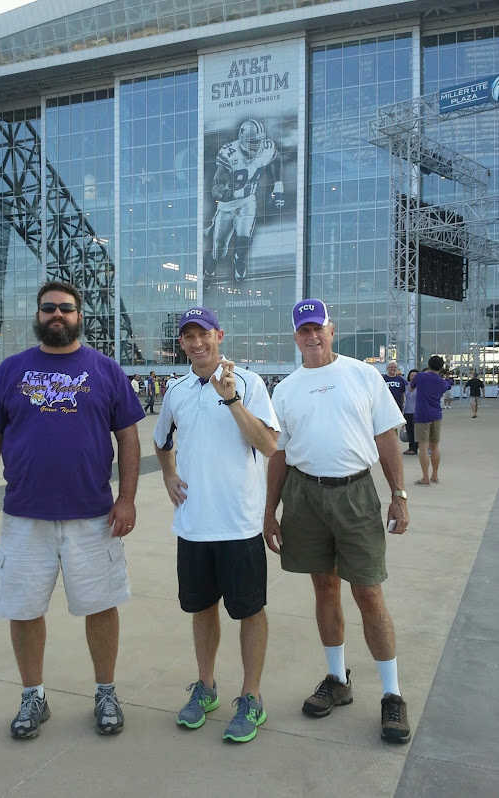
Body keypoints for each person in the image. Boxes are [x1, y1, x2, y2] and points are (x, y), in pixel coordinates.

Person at [0, 280, 145, 740]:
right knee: (24, 609)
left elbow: (128, 438)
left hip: (93, 517)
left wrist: (126, 498)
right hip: (26, 516)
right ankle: (34, 696)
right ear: (38, 315)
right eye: (49, 308)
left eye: (66, 308)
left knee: (101, 606)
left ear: (79, 315)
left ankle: (106, 692)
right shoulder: (11, 371)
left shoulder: (106, 370)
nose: (57, 315)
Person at [264, 299, 411, 744]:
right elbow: (280, 455)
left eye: (318, 328)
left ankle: (392, 694)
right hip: (304, 496)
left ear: (332, 330)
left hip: (356, 493)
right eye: (303, 330)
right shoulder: (286, 389)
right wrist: (270, 511)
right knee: (325, 587)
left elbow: (386, 437)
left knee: (368, 592)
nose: (311, 336)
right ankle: (337, 680)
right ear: (295, 337)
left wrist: (399, 495)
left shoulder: (362, 375)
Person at [153, 306, 280, 743]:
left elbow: (269, 445)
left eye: (203, 334)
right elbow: (162, 440)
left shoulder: (248, 383)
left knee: (250, 611)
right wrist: (169, 474)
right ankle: (205, 687)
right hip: (194, 525)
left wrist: (231, 400)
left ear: (219, 336)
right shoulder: (176, 390)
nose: (197, 343)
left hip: (239, 524)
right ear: (181, 344)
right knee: (202, 608)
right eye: (188, 336)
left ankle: (251, 697)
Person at [204, 119, 284, 283]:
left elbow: (277, 159)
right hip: (227, 206)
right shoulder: (230, 152)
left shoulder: (267, 148)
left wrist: (278, 185)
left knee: (244, 237)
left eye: (260, 141)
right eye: (254, 142)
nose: (258, 145)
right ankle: (209, 271)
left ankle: (239, 259)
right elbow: (218, 181)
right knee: (219, 249)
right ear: (243, 140)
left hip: (247, 201)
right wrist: (220, 191)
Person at [410, 356, 451, 485]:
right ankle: (435, 475)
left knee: (423, 446)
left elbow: (411, 388)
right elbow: (445, 387)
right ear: (441, 367)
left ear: (428, 365)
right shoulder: (442, 382)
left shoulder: (420, 376)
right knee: (434, 446)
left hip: (422, 414)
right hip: (436, 414)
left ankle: (425, 477)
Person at [403, 369, 419, 455]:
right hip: (407, 411)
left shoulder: (420, 386)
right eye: (411, 375)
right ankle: (410, 447)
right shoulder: (406, 385)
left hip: (416, 412)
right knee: (409, 431)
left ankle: (415, 448)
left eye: (415, 376)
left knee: (415, 431)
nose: (413, 377)